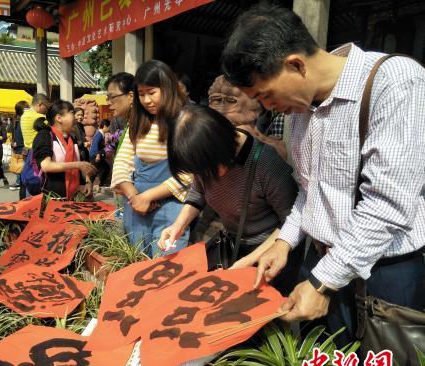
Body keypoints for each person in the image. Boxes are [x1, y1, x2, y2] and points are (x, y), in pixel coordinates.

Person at [221, 4, 425, 346]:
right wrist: (285, 243)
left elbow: (388, 206)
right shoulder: (302, 110)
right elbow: (308, 191)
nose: (268, 108)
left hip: (382, 273)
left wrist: (323, 282)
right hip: (321, 263)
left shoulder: (395, 82)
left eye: (266, 95)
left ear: (296, 64)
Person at [158, 105, 300, 295]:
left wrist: (250, 261)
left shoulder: (266, 164)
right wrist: (178, 225)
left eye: (208, 170)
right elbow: (198, 191)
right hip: (235, 247)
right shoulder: (205, 160)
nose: (204, 176)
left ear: (222, 148)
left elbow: (292, 220)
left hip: (270, 253)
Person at [111, 59, 193, 258]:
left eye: (152, 92)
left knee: (166, 270)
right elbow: (121, 163)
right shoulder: (137, 123)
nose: (146, 100)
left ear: (168, 88)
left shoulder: (187, 121)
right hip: (136, 209)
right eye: (141, 94)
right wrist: (134, 196)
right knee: (137, 267)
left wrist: (149, 196)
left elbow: (190, 173)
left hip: (171, 209)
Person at [32, 100, 97, 199]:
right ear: (59, 118)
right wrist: (78, 165)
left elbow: (82, 165)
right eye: (72, 113)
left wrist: (87, 182)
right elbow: (46, 166)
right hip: (52, 198)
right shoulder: (44, 136)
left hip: (74, 196)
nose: (75, 117)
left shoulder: (72, 138)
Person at [10, 100, 29, 190]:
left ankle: (20, 182)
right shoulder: (18, 121)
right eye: (26, 108)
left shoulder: (21, 120)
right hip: (20, 147)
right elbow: (16, 134)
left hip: (21, 147)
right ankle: (20, 183)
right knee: (21, 168)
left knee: (22, 168)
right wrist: (13, 142)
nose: (28, 109)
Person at [89, 119, 111, 187]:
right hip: (96, 156)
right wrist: (97, 155)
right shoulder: (99, 134)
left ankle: (102, 184)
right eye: (108, 127)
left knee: (106, 168)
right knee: (93, 172)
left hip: (99, 155)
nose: (109, 128)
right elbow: (95, 144)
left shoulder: (101, 134)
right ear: (104, 126)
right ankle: (88, 186)